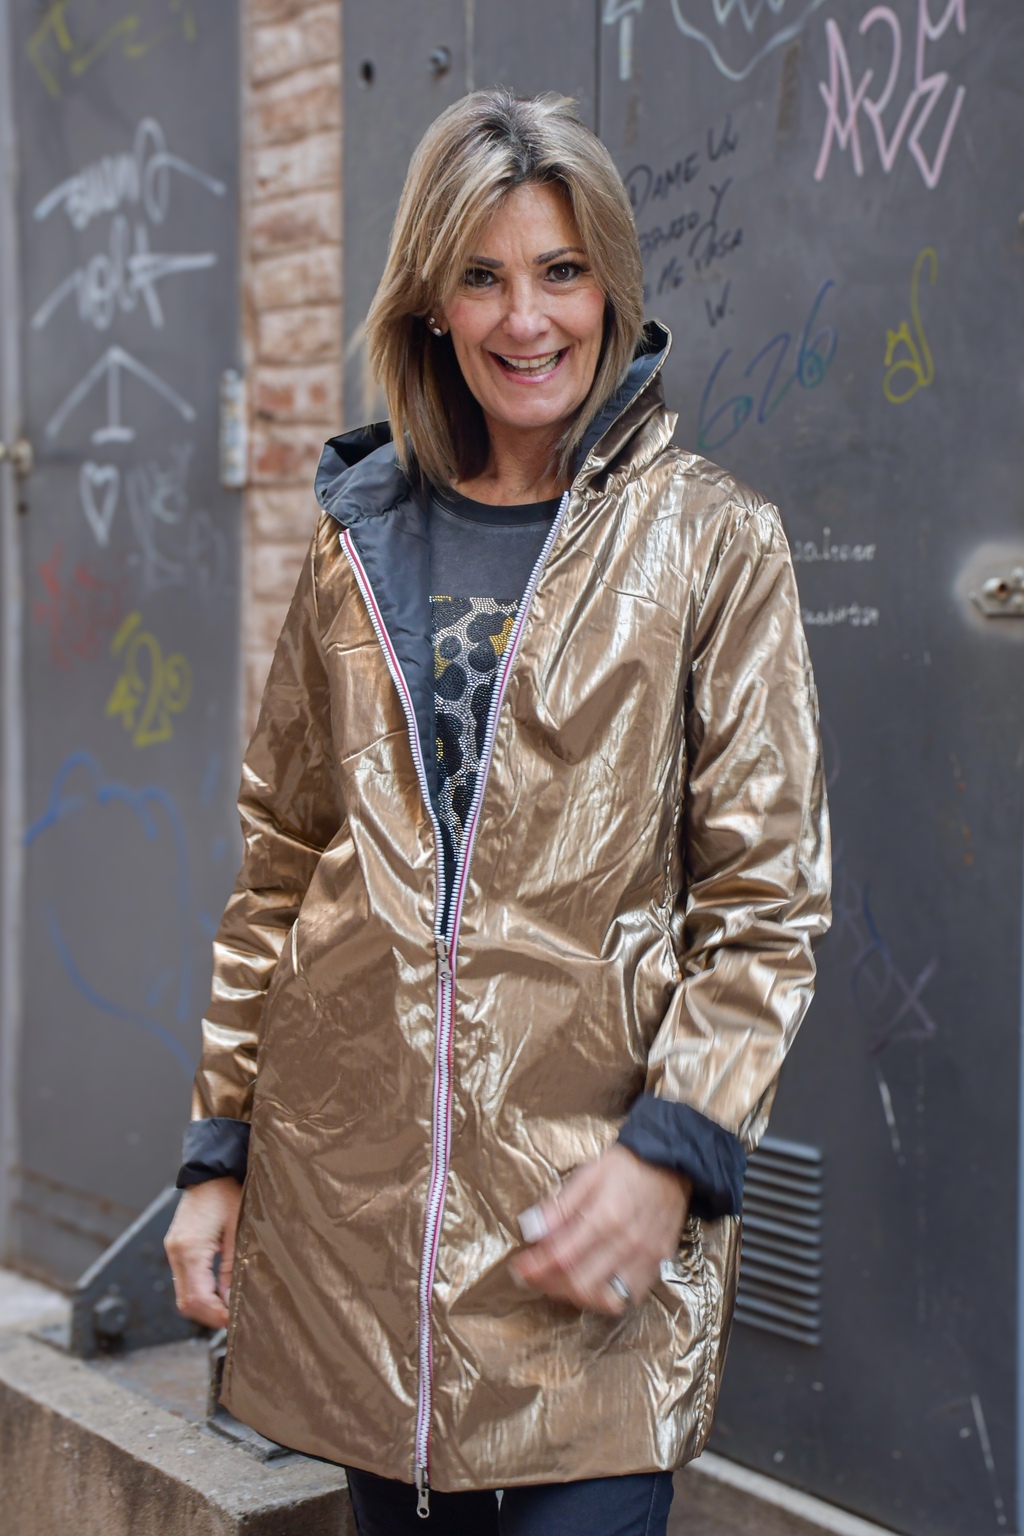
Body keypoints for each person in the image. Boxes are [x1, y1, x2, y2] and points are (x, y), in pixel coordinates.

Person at [165, 89, 831, 1536]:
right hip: (362, 1242)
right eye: (482, 275)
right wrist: (219, 1155)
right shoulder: (357, 540)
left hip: (582, 1236)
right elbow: (282, 863)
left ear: (611, 288)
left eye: (561, 271)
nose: (526, 319)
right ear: (431, 304)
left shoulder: (713, 541)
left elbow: (765, 903)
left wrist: (675, 1151)